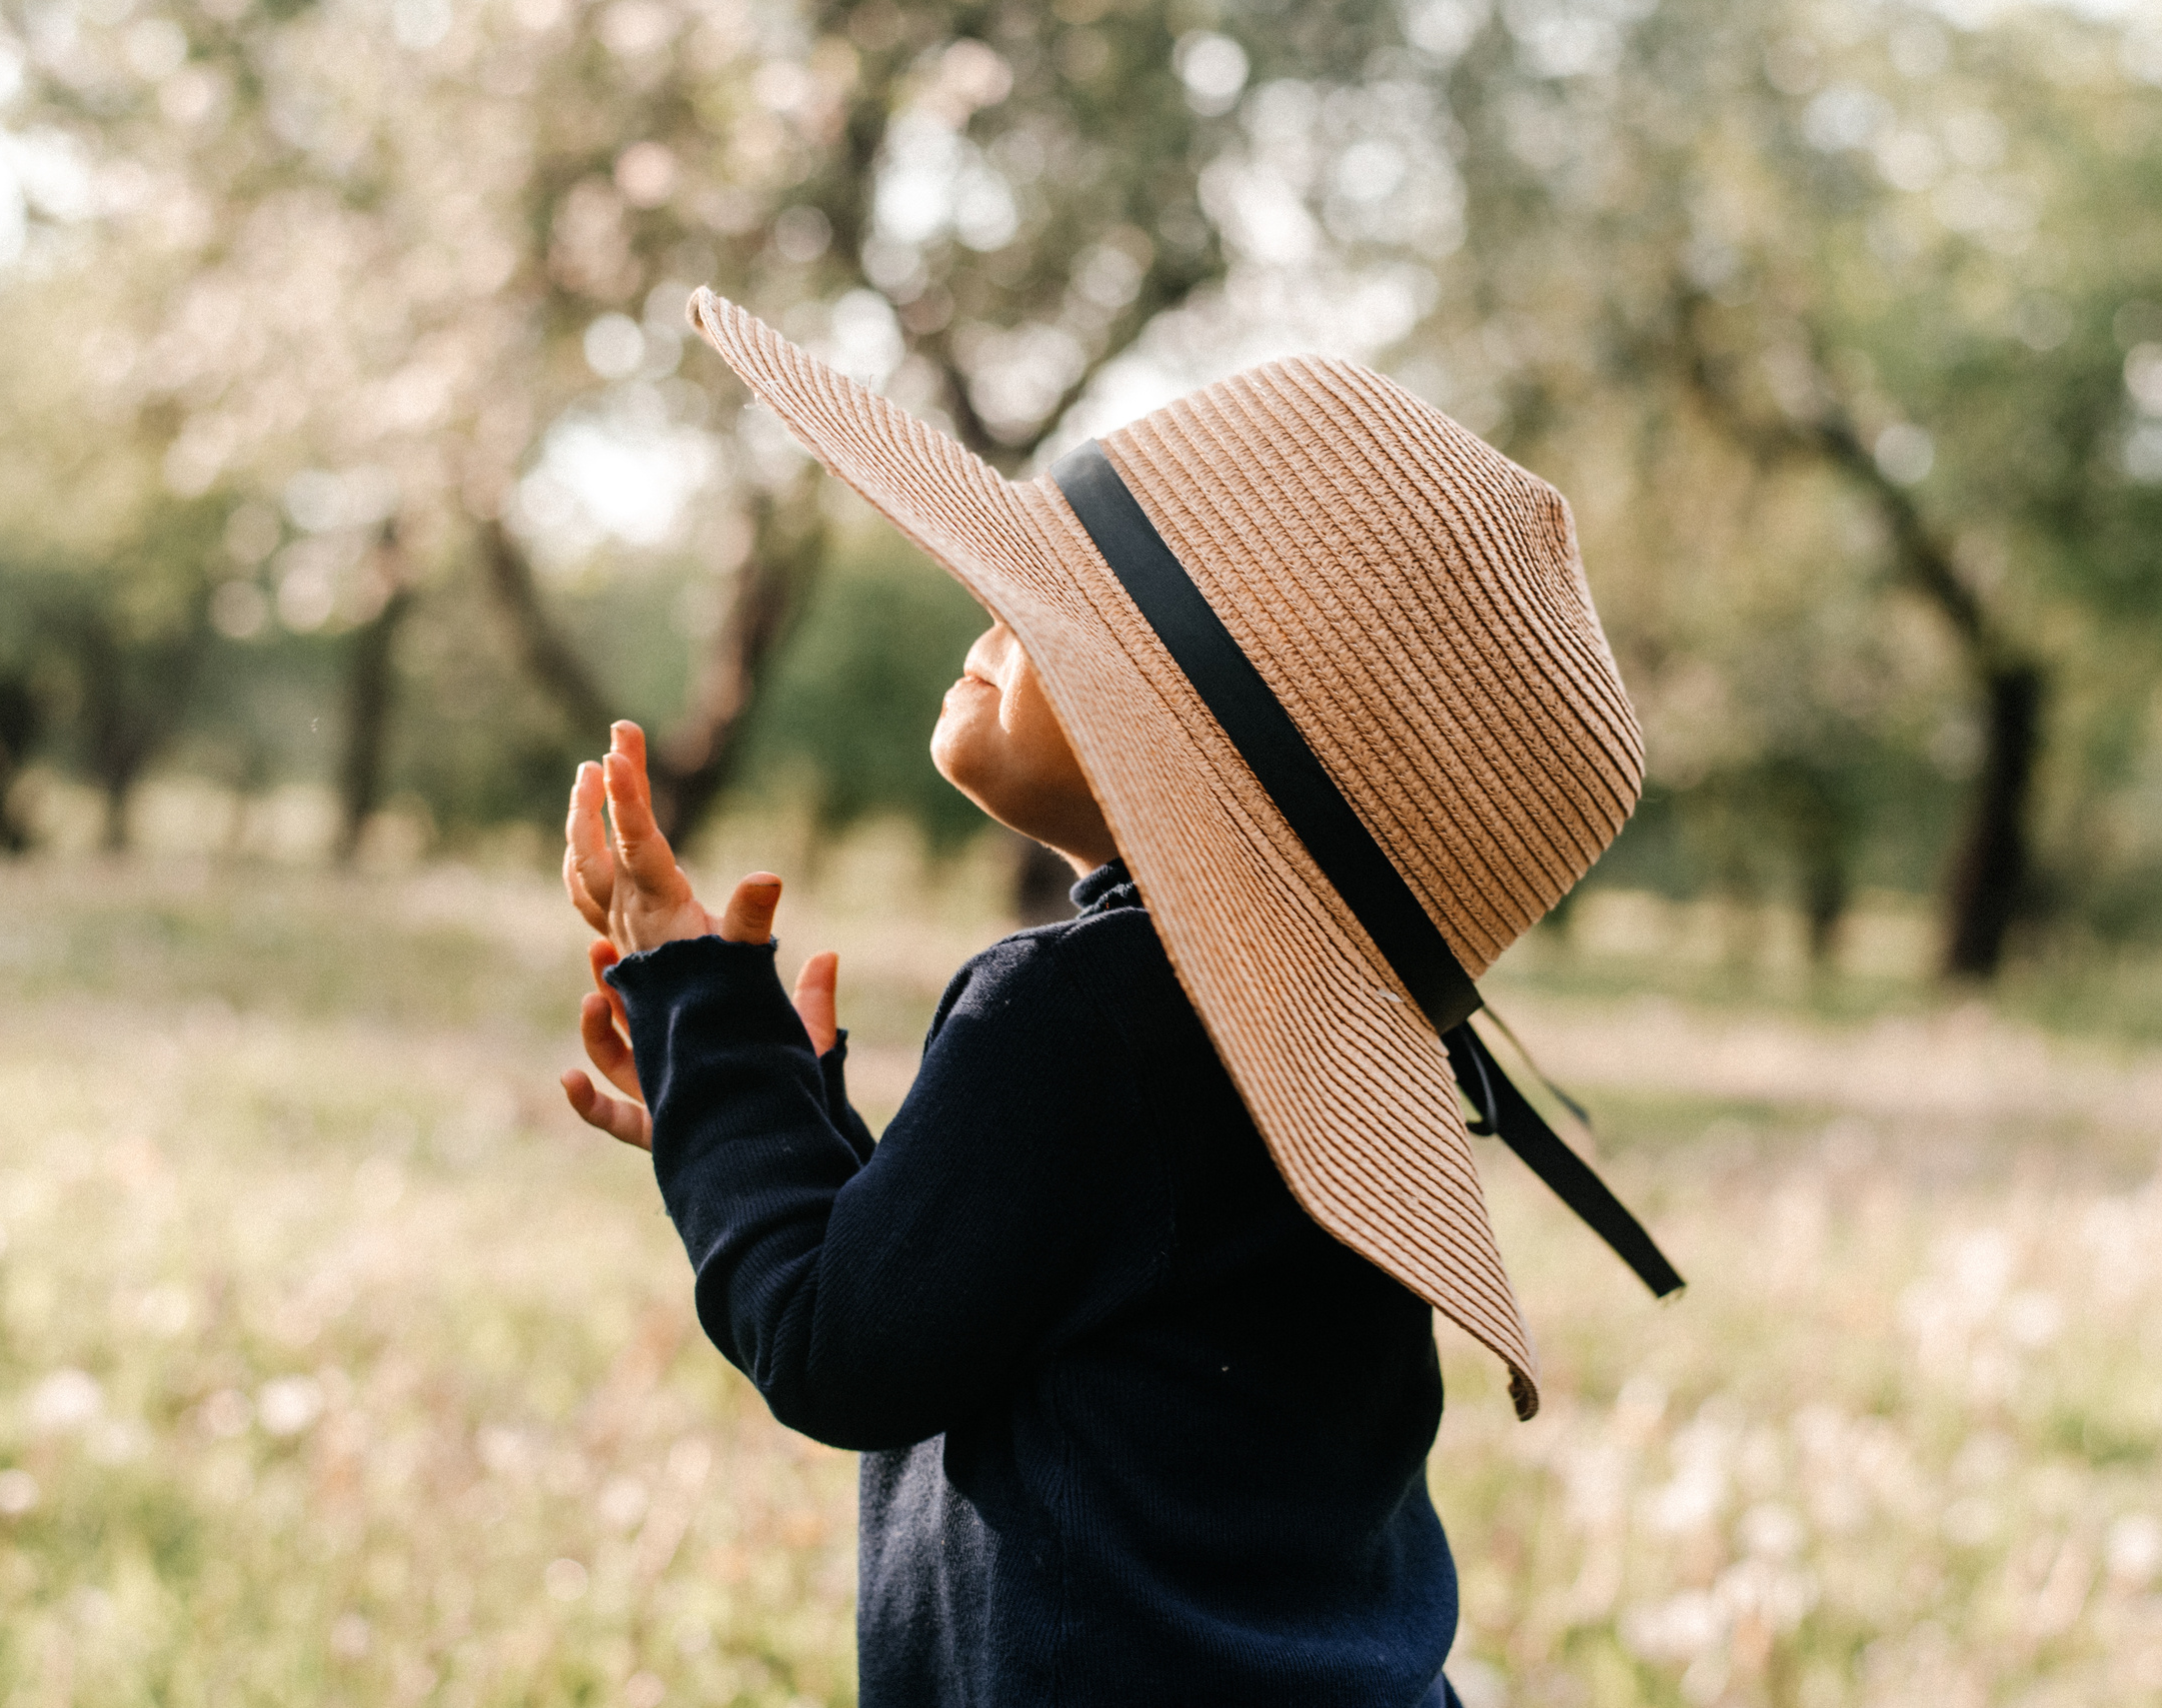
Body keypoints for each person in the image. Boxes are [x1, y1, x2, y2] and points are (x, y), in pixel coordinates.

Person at [559, 291, 1667, 1707]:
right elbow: (997, 1293)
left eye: (1048, 602)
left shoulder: (1076, 1011)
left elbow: (841, 1345)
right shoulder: (1276, 1049)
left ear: (1187, 745)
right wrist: (752, 1125)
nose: (986, 605)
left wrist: (694, 1004)